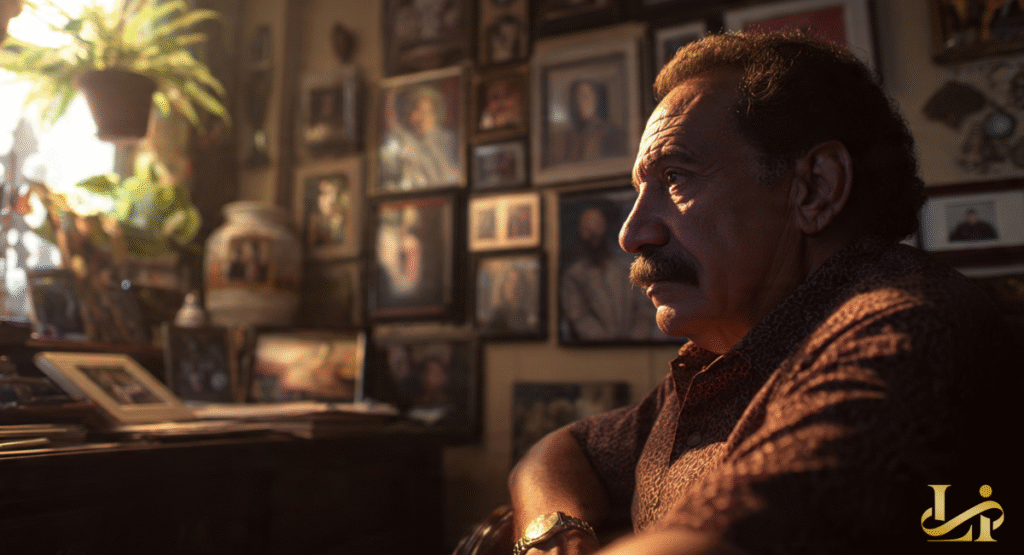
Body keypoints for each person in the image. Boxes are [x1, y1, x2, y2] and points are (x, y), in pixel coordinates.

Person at [508, 31, 1020, 555]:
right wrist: (557, 538)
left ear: (815, 188)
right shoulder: (727, 356)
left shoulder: (906, 333)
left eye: (676, 177)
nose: (632, 233)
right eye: (642, 188)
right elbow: (559, 451)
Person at [559, 205, 656, 342]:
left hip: (634, 351)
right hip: (595, 353)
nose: (593, 234)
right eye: (587, 229)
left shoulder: (627, 268)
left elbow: (645, 310)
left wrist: (634, 343)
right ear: (579, 232)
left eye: (597, 226)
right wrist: (607, 345)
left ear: (606, 228)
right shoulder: (574, 275)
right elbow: (578, 316)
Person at [378, 85, 461, 190]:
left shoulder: (449, 138)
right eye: (418, 110)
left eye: (428, 112)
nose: (422, 118)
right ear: (409, 113)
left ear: (436, 115)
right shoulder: (402, 138)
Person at [548, 79, 625, 166]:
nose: (580, 103)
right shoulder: (566, 137)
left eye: (585, 97)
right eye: (576, 98)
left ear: (596, 99)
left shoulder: (611, 133)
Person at [306, 176, 349, 247]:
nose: (332, 200)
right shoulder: (313, 223)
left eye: (336, 193)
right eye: (325, 193)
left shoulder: (346, 221)